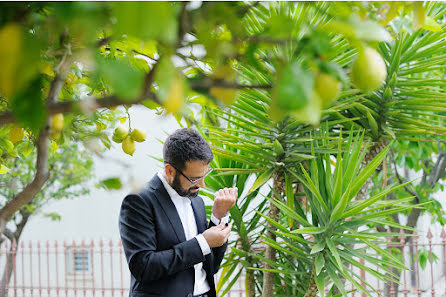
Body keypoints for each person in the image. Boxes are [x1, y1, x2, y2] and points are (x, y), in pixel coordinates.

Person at [119, 128, 237, 297]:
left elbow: (212, 266)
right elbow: (143, 267)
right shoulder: (139, 201)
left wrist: (218, 216)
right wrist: (202, 242)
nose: (202, 185)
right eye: (194, 178)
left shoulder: (197, 201)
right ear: (170, 171)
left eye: (204, 175)